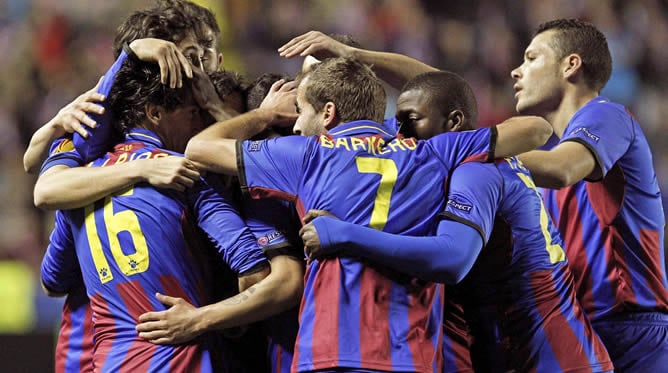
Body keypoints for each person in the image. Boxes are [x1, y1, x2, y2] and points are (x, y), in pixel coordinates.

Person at [184, 56, 552, 372]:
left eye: (300, 111)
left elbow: (198, 149)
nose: (295, 124)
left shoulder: (308, 153)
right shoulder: (433, 151)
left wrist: (264, 114)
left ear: (328, 113)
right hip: (409, 349)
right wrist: (397, 128)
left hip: (329, 348)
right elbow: (536, 128)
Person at [298, 71, 613, 372]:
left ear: (453, 122)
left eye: (411, 121)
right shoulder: (456, 167)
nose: (401, 135)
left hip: (550, 357)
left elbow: (452, 258)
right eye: (398, 122)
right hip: (517, 351)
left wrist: (346, 234)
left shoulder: (476, 171)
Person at [510, 19, 667, 371]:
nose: (516, 71)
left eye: (532, 58)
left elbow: (561, 169)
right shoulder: (542, 159)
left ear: (571, 64)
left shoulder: (608, 116)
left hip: (631, 333)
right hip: (577, 331)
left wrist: (464, 150)